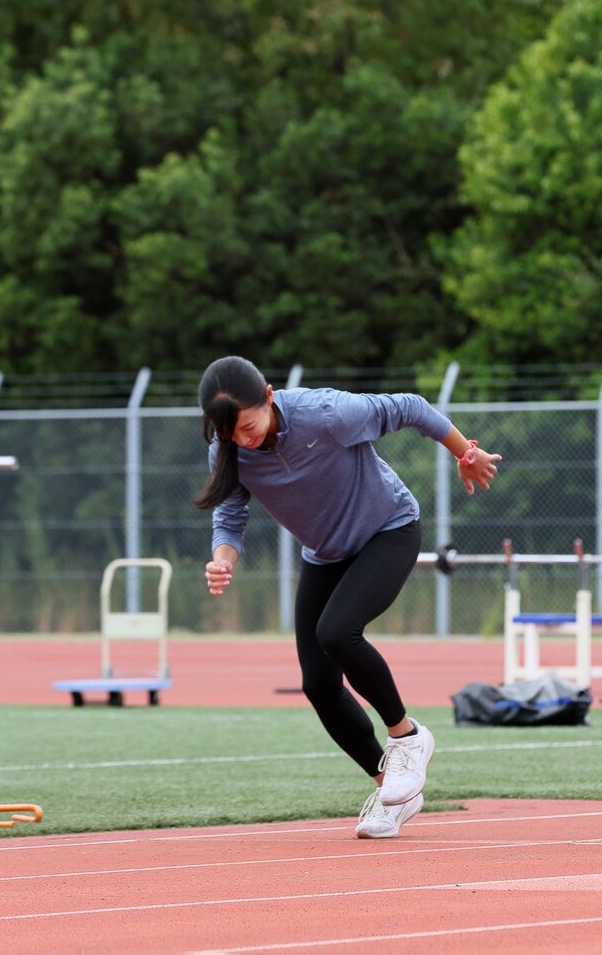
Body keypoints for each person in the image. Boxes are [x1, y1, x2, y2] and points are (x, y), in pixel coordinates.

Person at [194, 356, 502, 839]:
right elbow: (229, 517)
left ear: (270, 396)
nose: (243, 439)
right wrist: (223, 561)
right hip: (326, 553)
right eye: (231, 433)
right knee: (318, 683)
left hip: (389, 530)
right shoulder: (227, 448)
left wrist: (465, 453)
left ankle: (408, 737)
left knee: (336, 631)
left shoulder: (328, 414)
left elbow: (413, 407)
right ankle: (392, 791)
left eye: (249, 426)